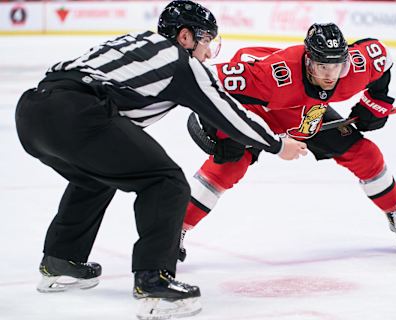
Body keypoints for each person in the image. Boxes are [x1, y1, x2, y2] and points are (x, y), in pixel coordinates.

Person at [14, 0, 307, 318]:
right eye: (206, 41)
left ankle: (62, 260)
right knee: (166, 182)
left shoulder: (139, 42)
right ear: (185, 37)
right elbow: (226, 111)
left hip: (32, 112)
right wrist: (276, 144)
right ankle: (154, 280)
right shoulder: (182, 63)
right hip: (76, 114)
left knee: (95, 177)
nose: (209, 53)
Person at [180, 22, 396, 262]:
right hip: (258, 109)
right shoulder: (272, 76)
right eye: (322, 67)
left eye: (336, 67)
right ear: (308, 61)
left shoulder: (355, 67)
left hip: (310, 111)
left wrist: (376, 102)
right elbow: (207, 83)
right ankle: (175, 231)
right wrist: (224, 133)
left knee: (365, 154)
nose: (330, 75)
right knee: (228, 166)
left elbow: (382, 56)